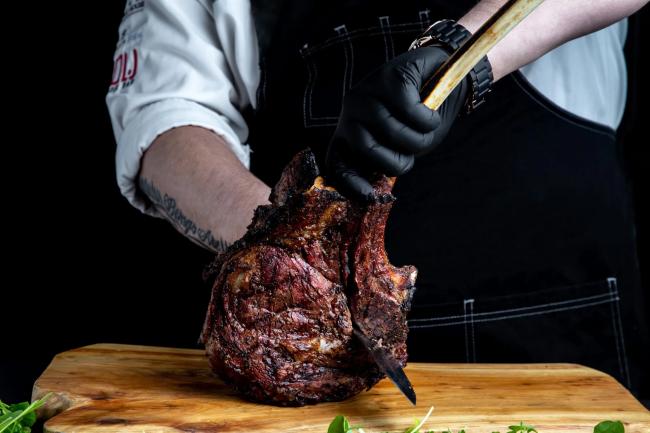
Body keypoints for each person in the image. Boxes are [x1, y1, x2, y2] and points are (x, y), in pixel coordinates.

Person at [107, 0, 649, 399]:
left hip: (554, 331)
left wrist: (463, 57)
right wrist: (289, 251)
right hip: (310, 346)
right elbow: (165, 115)